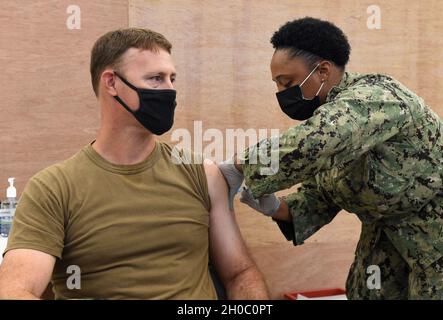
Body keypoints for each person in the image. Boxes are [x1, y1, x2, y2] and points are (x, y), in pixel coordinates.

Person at [0, 28, 268, 300]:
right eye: (155, 79)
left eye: (172, 79)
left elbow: (240, 273)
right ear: (112, 83)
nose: (170, 91)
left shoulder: (201, 173)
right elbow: (14, 290)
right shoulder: (53, 188)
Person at [219, 17, 443, 299]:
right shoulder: (332, 118)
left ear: (323, 70)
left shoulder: (376, 97)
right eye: (277, 84)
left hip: (441, 238)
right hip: (388, 238)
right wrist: (274, 207)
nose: (281, 93)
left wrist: (241, 165)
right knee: (366, 293)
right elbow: (321, 196)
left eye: (287, 82)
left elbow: (319, 140)